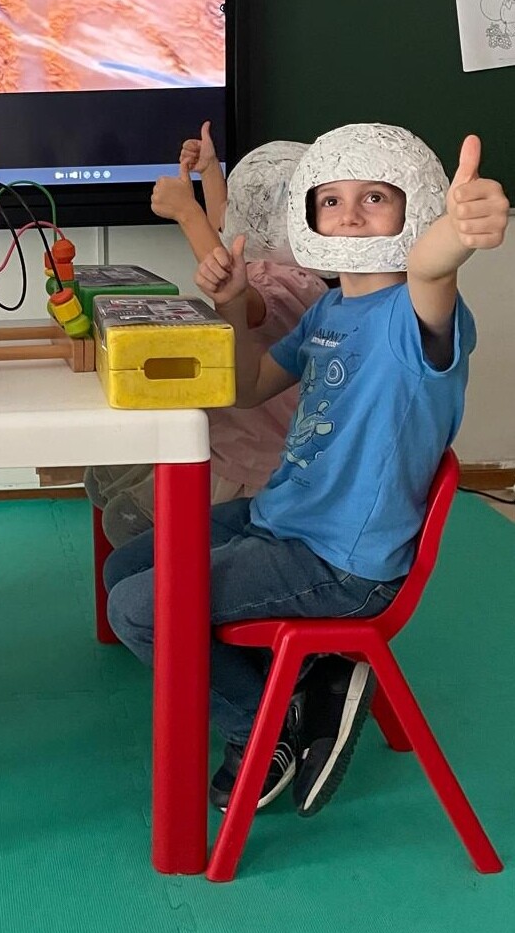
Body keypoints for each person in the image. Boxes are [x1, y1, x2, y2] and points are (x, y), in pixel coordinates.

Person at [104, 124, 509, 817]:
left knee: (137, 611)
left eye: (375, 197)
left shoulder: (415, 311)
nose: (349, 215)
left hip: (342, 563)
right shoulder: (329, 307)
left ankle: (262, 728)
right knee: (123, 568)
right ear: (309, 214)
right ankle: (309, 682)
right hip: (281, 520)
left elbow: (430, 267)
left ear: (413, 205)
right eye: (332, 200)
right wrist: (231, 304)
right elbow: (249, 386)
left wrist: (457, 230)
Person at [86, 124, 327, 545]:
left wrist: (187, 214)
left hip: (246, 464)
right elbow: (230, 229)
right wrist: (210, 170)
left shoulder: (295, 283)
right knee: (101, 478)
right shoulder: (268, 260)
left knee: (125, 522)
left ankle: (177, 584)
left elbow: (235, 288)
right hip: (221, 440)